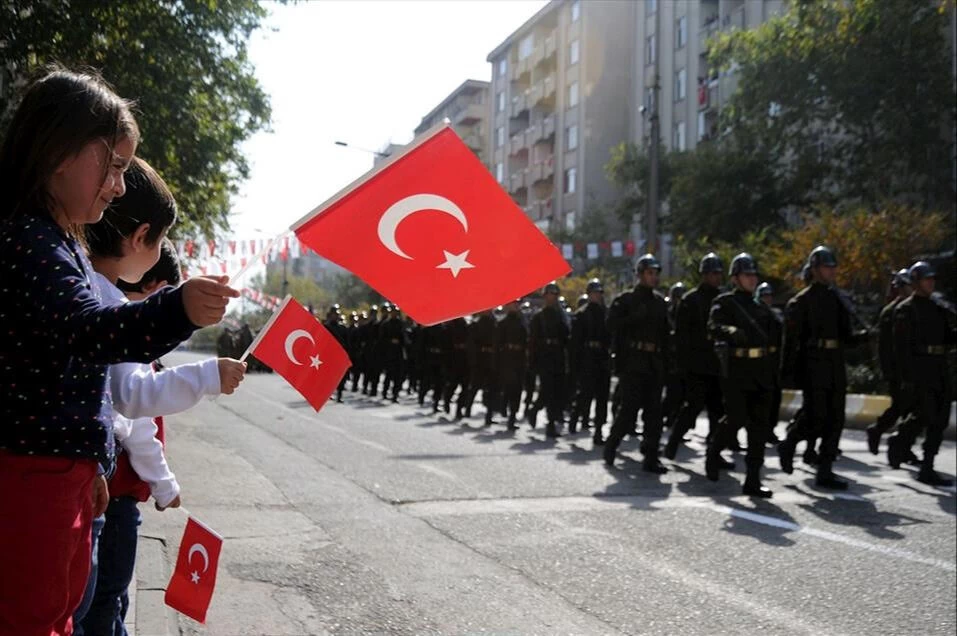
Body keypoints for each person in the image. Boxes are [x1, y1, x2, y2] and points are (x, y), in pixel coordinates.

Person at [0, 68, 237, 636]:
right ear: (60, 152)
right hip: (34, 477)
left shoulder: (58, 242)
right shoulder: (28, 241)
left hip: (57, 474)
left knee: (56, 610)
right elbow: (89, 332)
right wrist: (176, 310)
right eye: (113, 166)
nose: (119, 187)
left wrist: (93, 464)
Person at [82, 230, 246, 635]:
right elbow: (135, 412)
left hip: (103, 488)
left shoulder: (91, 295)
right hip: (115, 495)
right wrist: (164, 484)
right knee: (104, 596)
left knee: (98, 597)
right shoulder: (111, 314)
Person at [779, 246, 865, 489]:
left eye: (833, 267)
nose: (832, 271)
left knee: (835, 417)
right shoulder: (801, 301)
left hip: (834, 362)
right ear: (815, 270)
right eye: (827, 267)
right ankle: (790, 442)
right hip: (812, 363)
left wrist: (864, 338)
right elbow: (791, 341)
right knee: (815, 415)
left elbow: (846, 336)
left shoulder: (838, 299)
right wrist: (787, 372)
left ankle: (825, 470)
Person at [705, 254, 781, 497]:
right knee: (736, 418)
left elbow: (774, 341)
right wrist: (730, 330)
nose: (752, 279)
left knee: (758, 428)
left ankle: (752, 479)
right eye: (747, 275)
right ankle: (714, 451)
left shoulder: (762, 309)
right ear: (735, 278)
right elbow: (713, 326)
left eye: (754, 275)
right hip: (737, 370)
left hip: (760, 372)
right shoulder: (725, 303)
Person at [887, 262, 956, 485]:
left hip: (939, 367)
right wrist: (907, 377)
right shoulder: (905, 310)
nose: (931, 283)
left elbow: (948, 337)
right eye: (926, 279)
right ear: (916, 283)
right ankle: (918, 458)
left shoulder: (938, 308)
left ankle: (925, 462)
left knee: (940, 419)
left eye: (932, 279)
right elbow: (901, 348)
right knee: (927, 415)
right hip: (920, 369)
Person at [603, 255, 670, 473]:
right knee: (629, 410)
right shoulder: (626, 300)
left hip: (653, 363)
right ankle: (612, 444)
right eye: (649, 273)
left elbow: (665, 335)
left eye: (655, 273)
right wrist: (633, 318)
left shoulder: (660, 302)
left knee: (654, 413)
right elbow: (611, 325)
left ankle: (651, 457)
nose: (653, 277)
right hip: (633, 362)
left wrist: (668, 363)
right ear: (640, 275)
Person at [665, 253, 725, 460]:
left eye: (719, 273)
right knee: (693, 407)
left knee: (718, 410)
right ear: (704, 275)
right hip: (697, 364)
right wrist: (683, 366)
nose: (717, 277)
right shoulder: (691, 300)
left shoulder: (723, 299)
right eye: (713, 273)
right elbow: (682, 337)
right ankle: (673, 441)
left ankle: (714, 452)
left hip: (717, 363)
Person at [867, 269, 914, 456]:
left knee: (910, 408)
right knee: (902, 406)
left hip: (913, 367)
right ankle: (878, 430)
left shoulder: (913, 308)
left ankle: (903, 446)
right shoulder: (891, 312)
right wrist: (888, 371)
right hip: (897, 369)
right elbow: (885, 346)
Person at [569, 278, 610, 442]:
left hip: (602, 357)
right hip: (587, 358)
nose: (596, 296)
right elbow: (575, 343)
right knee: (585, 394)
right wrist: (575, 364)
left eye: (598, 293)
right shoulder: (581, 314)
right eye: (594, 293)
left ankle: (599, 429)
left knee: (602, 396)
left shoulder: (606, 314)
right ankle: (575, 417)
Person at [528, 282, 569, 437]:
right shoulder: (539, 317)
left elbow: (566, 337)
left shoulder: (561, 315)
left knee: (554, 392)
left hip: (557, 356)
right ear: (545, 296)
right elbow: (533, 342)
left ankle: (535, 410)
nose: (552, 297)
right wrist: (532, 362)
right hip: (544, 357)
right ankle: (549, 424)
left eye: (555, 294)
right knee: (548, 391)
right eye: (550, 294)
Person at [756, 282, 784, 445]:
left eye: (769, 295)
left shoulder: (776, 314)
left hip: (774, 360)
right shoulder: (755, 315)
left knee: (775, 398)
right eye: (764, 295)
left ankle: (770, 430)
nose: (767, 298)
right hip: (761, 361)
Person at [463, 309, 500, 426]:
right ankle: (467, 408)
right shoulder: (476, 325)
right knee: (474, 387)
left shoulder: (495, 325)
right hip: (480, 360)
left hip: (490, 359)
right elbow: (471, 344)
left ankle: (489, 415)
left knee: (491, 390)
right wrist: (473, 361)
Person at [496, 299, 528, 429]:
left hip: (519, 359)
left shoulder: (522, 322)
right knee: (508, 388)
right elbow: (498, 344)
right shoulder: (502, 323)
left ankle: (512, 417)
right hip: (507, 359)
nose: (515, 306)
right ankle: (503, 407)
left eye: (517, 304)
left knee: (517, 390)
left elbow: (526, 341)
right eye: (513, 304)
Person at [661, 281, 687, 431]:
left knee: (680, 394)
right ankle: (663, 417)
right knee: (671, 394)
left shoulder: (684, 313)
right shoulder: (667, 312)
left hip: (681, 358)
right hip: (669, 359)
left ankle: (673, 420)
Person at [377, 304, 405, 402]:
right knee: (388, 375)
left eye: (396, 312)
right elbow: (381, 339)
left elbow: (404, 338)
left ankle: (395, 395)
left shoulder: (401, 324)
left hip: (398, 354)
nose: (394, 314)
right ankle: (384, 393)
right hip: (388, 353)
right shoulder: (385, 324)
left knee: (398, 376)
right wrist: (390, 341)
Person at [323, 305, 350, 402]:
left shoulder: (342, 328)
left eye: (336, 314)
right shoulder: (326, 327)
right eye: (333, 314)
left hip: (340, 355)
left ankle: (339, 394)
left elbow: (347, 342)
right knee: (329, 376)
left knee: (340, 377)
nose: (335, 316)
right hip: (329, 355)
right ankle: (328, 393)